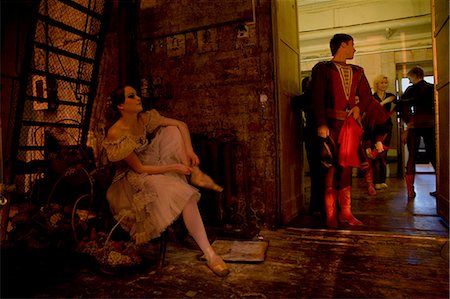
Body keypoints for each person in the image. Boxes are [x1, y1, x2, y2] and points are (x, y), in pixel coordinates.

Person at [102, 85, 229, 277]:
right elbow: (139, 169)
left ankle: (193, 172)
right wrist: (175, 168)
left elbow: (181, 125)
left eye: (136, 94)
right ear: (121, 106)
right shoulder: (116, 132)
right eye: (131, 96)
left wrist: (189, 151)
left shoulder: (143, 118)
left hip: (151, 161)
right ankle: (210, 254)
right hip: (133, 179)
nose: (138, 98)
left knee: (172, 130)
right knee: (186, 196)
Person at [310, 33, 390, 228]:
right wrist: (321, 124)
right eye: (352, 45)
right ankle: (330, 215)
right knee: (330, 167)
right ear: (343, 45)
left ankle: (346, 212)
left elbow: (367, 97)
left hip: (349, 128)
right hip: (330, 128)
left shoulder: (358, 70)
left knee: (346, 168)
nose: (354, 49)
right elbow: (317, 98)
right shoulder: (323, 69)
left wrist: (358, 108)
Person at [395, 66, 436, 199]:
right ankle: (442, 188)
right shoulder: (431, 88)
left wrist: (407, 123)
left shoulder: (411, 90)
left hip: (415, 125)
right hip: (431, 124)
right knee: (434, 156)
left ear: (416, 75)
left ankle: (410, 191)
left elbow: (401, 106)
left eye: (410, 77)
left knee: (411, 156)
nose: (409, 80)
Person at [363, 75, 396, 195]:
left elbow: (396, 100)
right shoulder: (372, 98)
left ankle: (382, 180)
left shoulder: (389, 96)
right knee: (376, 153)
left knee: (384, 153)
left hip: (387, 127)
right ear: (377, 84)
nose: (384, 84)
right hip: (374, 127)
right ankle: (376, 181)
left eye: (386, 82)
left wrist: (383, 103)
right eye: (382, 82)